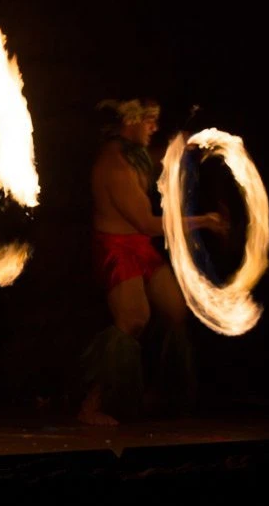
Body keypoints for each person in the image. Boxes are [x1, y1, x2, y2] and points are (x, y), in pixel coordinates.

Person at [77, 98, 226, 426]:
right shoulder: (113, 166)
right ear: (129, 121)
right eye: (148, 121)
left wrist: (179, 147)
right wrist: (202, 220)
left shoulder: (134, 154)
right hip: (116, 249)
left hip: (138, 245)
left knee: (175, 309)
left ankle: (160, 392)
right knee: (133, 320)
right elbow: (148, 223)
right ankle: (92, 403)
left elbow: (152, 161)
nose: (154, 127)